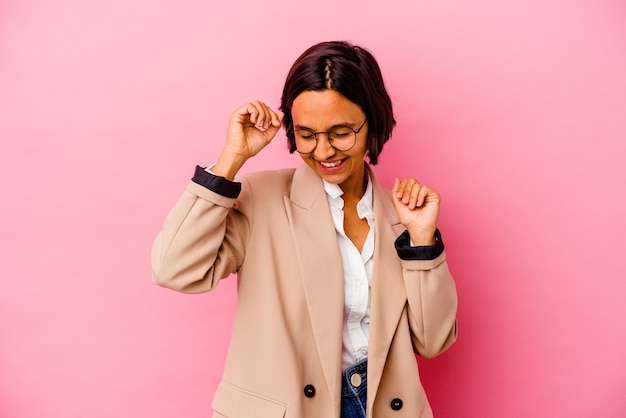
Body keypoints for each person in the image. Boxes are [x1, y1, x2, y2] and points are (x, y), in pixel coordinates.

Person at [151, 40, 458, 418]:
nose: (324, 151)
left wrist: (422, 244)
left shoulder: (402, 218)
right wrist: (230, 160)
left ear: (372, 122)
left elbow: (433, 341)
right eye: (307, 134)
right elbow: (173, 269)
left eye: (341, 132)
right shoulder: (258, 199)